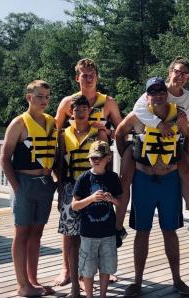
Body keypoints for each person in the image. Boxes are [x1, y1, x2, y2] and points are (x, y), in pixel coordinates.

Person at [115, 77, 189, 297]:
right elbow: (119, 133)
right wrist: (128, 155)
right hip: (144, 181)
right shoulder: (138, 116)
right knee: (142, 231)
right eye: (153, 92)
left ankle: (177, 279)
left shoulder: (177, 115)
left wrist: (183, 156)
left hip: (169, 181)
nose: (158, 95)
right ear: (147, 95)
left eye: (161, 91)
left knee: (170, 231)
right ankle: (138, 281)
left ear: (165, 94)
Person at [118, 56, 189, 237]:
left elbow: (184, 126)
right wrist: (158, 126)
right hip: (145, 140)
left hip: (169, 144)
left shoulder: (187, 96)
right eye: (177, 71)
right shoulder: (157, 89)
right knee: (125, 179)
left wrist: (183, 152)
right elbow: (138, 111)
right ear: (170, 72)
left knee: (185, 172)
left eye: (185, 73)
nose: (180, 76)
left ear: (188, 77)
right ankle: (117, 227)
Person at [54, 58, 123, 286]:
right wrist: (56, 175)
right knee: (70, 229)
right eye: (83, 74)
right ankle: (66, 269)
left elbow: (121, 133)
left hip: (97, 175)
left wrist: (108, 132)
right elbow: (55, 135)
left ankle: (105, 270)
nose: (88, 77)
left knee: (101, 223)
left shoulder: (108, 102)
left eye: (92, 73)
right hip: (71, 179)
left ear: (97, 77)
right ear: (77, 78)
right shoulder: (67, 102)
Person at [0, 80, 57, 297]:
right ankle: (22, 285)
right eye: (40, 96)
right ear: (29, 97)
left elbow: (56, 155)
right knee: (22, 232)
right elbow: (4, 158)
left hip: (45, 185)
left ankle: (33, 281)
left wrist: (55, 181)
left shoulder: (51, 122)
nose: (44, 100)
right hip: (24, 183)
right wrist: (17, 187)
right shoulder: (19, 123)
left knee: (37, 233)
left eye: (47, 96)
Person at [55, 95, 101, 297]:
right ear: (71, 113)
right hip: (70, 189)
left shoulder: (98, 133)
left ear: (89, 111)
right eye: (76, 109)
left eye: (84, 108)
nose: (80, 112)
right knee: (72, 237)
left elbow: (105, 161)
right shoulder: (64, 134)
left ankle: (86, 277)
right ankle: (74, 283)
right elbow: (59, 162)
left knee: (91, 237)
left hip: (93, 188)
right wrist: (59, 187)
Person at [71, 141, 121, 298]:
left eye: (99, 157)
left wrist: (111, 199)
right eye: (93, 158)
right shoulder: (84, 178)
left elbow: (121, 203)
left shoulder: (113, 177)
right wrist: (91, 198)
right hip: (88, 233)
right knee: (88, 267)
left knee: (107, 266)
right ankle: (89, 296)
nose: (96, 160)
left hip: (108, 232)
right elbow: (74, 205)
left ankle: (103, 295)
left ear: (108, 158)